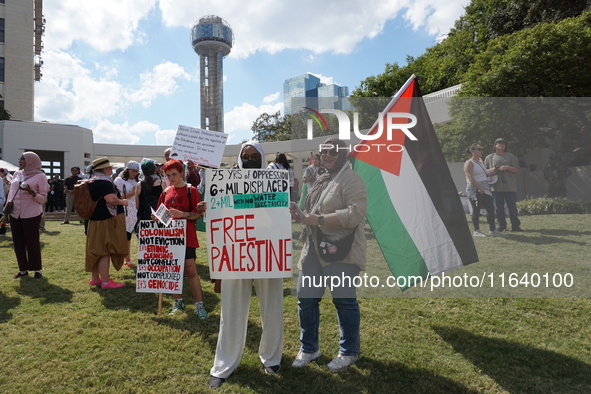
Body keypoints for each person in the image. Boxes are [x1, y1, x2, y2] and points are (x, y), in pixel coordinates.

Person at [209, 141, 284, 389]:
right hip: (236, 252)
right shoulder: (226, 183)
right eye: (246, 155)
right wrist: (208, 208)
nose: (250, 159)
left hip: (267, 253)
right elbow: (221, 214)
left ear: (262, 158)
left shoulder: (276, 180)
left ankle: (272, 358)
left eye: (254, 156)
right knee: (230, 311)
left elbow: (280, 215)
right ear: (240, 158)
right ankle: (224, 363)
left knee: (272, 307)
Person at [290, 137, 367, 373]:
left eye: (333, 152)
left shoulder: (350, 178)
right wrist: (301, 215)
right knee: (306, 299)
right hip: (313, 247)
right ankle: (310, 348)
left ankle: (349, 351)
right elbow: (314, 213)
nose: (327, 156)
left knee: (344, 301)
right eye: (324, 152)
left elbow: (356, 213)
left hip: (341, 250)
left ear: (343, 154)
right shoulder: (322, 179)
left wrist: (320, 220)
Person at [151, 159, 208, 318]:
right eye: (168, 175)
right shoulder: (165, 192)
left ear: (182, 173)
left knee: (190, 271)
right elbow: (160, 214)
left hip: (187, 237)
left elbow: (198, 214)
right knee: (172, 272)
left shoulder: (192, 190)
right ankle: (178, 303)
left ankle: (199, 305)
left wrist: (182, 214)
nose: (172, 177)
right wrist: (156, 217)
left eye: (174, 174)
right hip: (169, 237)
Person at [85, 157, 129, 289]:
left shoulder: (92, 180)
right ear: (105, 169)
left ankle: (95, 279)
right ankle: (105, 281)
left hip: (94, 220)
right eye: (110, 167)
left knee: (96, 249)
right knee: (105, 250)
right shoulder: (105, 182)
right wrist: (123, 202)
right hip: (106, 219)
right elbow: (111, 199)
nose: (112, 169)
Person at [5, 152, 48, 279]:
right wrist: (7, 210)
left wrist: (30, 191)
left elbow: (42, 199)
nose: (19, 161)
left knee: (32, 241)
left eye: (22, 159)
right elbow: (11, 193)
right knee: (18, 242)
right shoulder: (17, 174)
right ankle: (22, 269)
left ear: (30, 161)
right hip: (15, 213)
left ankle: (36, 269)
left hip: (31, 213)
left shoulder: (40, 176)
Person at [464, 143, 504, 237]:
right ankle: (476, 231)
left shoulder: (480, 162)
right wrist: (479, 188)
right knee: (476, 210)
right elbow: (469, 176)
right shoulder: (469, 162)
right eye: (479, 149)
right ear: (472, 151)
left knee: (490, 209)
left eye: (481, 149)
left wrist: (494, 170)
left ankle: (492, 230)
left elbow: (484, 173)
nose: (481, 151)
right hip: (475, 188)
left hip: (485, 187)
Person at [484, 138, 523, 232]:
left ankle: (515, 226)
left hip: (510, 186)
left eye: (503, 144)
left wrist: (507, 167)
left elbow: (517, 169)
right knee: (498, 208)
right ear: (495, 145)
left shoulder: (510, 156)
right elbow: (484, 172)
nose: (501, 145)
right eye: (499, 143)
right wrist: (493, 170)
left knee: (512, 207)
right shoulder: (490, 157)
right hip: (496, 187)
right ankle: (501, 226)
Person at [114, 161, 140, 267]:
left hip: (137, 211)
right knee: (126, 237)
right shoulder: (119, 180)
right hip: (125, 211)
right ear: (127, 170)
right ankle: (127, 259)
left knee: (140, 236)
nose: (135, 173)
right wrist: (132, 193)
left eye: (137, 171)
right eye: (133, 171)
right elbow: (118, 197)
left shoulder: (138, 181)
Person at [135, 159, 163, 223]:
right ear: (154, 169)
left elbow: (137, 206)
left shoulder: (139, 185)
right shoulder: (162, 183)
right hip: (159, 219)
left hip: (144, 220)